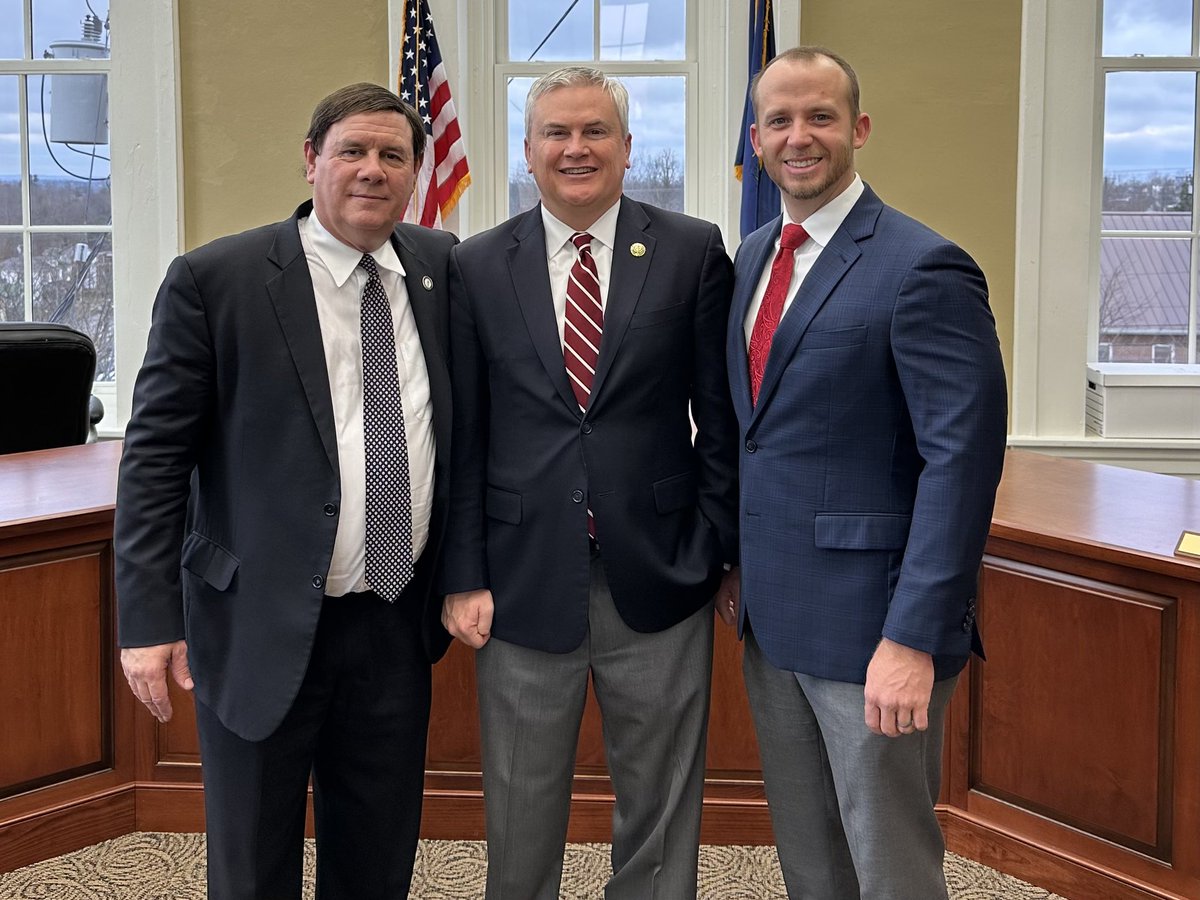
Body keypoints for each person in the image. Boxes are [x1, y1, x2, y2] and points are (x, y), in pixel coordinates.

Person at [114, 83, 456, 900]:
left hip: (393, 619)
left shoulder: (442, 271)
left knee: (376, 858)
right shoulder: (215, 278)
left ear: (415, 175)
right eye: (352, 151)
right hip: (257, 619)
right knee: (253, 862)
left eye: (392, 156)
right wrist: (149, 621)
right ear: (311, 162)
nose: (372, 170)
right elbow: (154, 462)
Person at [440, 65, 739, 899]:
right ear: (528, 154)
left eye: (594, 131)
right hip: (519, 578)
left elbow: (720, 420)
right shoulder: (476, 264)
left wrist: (714, 546)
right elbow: (465, 437)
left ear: (627, 147)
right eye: (557, 135)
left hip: (660, 570)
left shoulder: (690, 250)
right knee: (522, 801)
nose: (576, 149)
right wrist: (464, 574)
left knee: (662, 804)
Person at [721, 47, 1008, 899]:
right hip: (773, 625)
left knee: (889, 864)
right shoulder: (753, 259)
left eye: (820, 117)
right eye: (780, 120)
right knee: (812, 860)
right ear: (757, 138)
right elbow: (763, 438)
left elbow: (960, 465)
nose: (799, 136)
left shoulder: (924, 267)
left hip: (873, 629)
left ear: (860, 129)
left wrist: (913, 638)